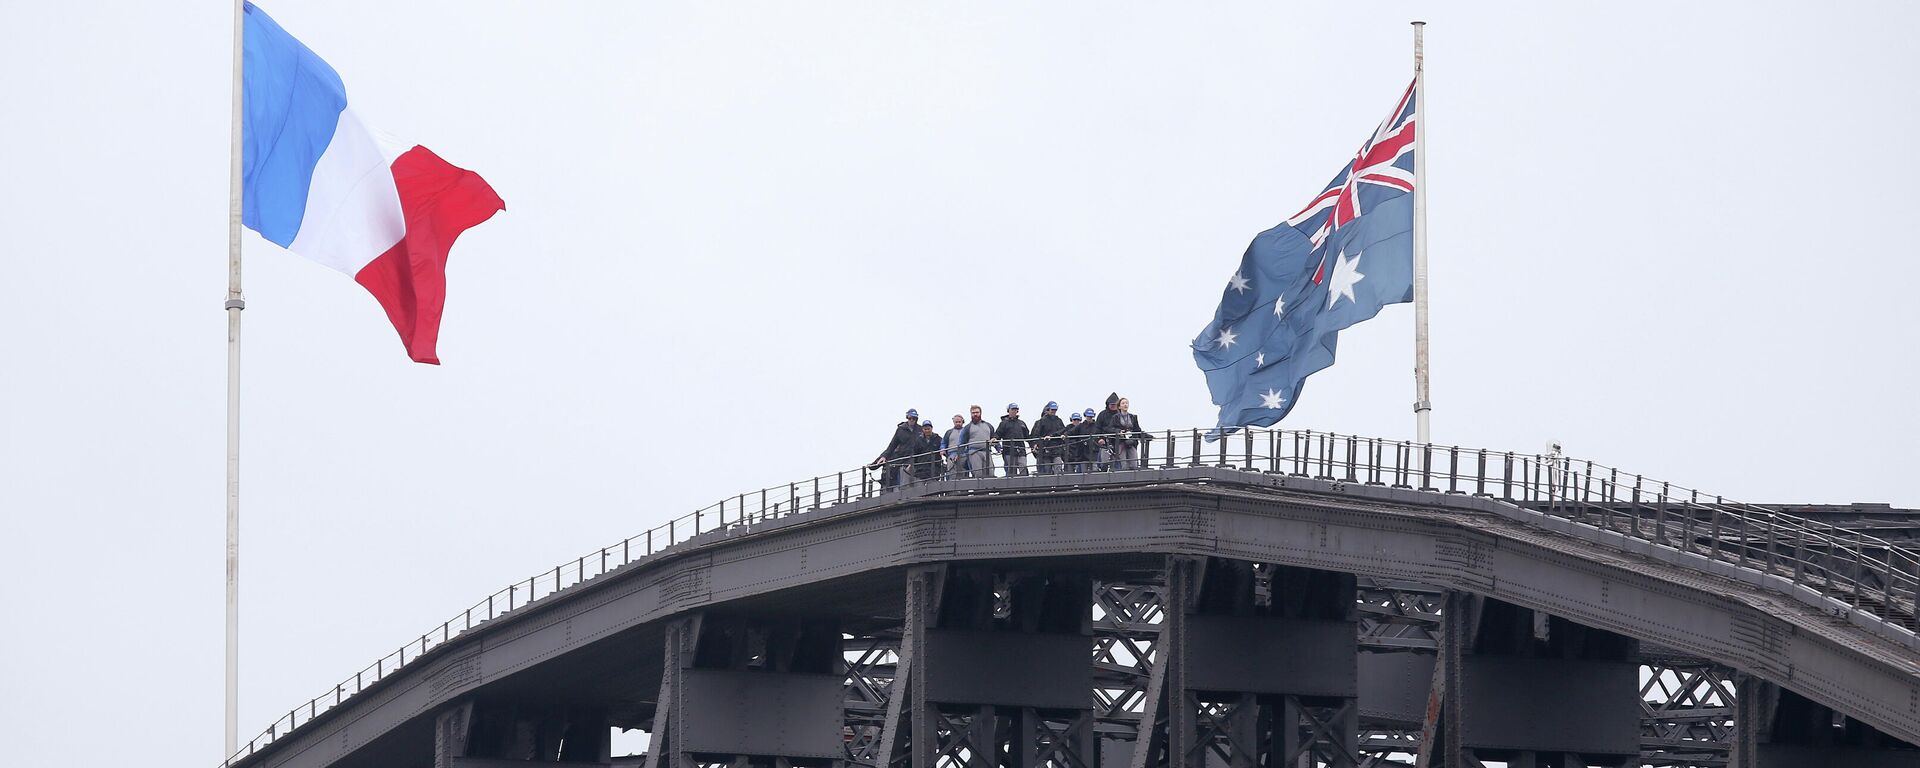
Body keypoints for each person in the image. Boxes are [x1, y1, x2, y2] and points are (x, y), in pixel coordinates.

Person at [871, 408, 919, 488]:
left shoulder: (920, 430)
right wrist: (884, 456)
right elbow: (892, 445)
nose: (912, 420)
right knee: (894, 469)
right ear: (907, 418)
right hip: (902, 456)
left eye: (914, 418)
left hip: (915, 457)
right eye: (910, 418)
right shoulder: (901, 429)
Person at [1111, 397, 1149, 470]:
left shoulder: (1133, 417)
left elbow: (1137, 429)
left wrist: (1146, 436)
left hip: (1131, 441)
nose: (1125, 405)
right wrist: (1119, 431)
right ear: (1119, 406)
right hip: (1121, 442)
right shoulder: (1115, 417)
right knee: (1124, 464)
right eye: (1123, 403)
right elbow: (1111, 428)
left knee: (1134, 463)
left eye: (1126, 403)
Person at [1029, 402, 1067, 475]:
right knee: (1047, 469)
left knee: (1058, 467)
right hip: (1045, 449)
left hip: (1057, 448)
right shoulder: (1042, 421)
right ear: (1048, 409)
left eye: (1055, 410)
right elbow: (1036, 434)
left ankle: (1058, 484)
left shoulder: (1059, 421)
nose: (1053, 411)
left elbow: (1063, 430)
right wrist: (1035, 444)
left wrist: (1062, 436)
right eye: (1052, 409)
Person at [994, 403, 1031, 476]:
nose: (1014, 411)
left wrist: (1034, 444)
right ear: (1008, 410)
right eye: (1012, 409)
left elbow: (1028, 437)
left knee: (1023, 467)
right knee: (1011, 472)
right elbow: (998, 433)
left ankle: (1024, 484)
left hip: (1021, 450)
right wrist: (994, 438)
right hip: (1008, 451)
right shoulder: (1004, 423)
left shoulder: (1021, 423)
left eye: (1016, 410)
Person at [959, 405, 996, 478]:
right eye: (973, 413)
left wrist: (998, 448)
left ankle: (990, 489)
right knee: (978, 473)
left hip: (987, 452)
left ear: (980, 413)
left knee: (991, 473)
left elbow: (993, 437)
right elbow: (962, 442)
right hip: (974, 452)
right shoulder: (967, 428)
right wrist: (960, 454)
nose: (975, 414)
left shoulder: (988, 426)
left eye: (977, 412)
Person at [1094, 394, 1121, 470]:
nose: (1113, 406)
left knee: (1119, 463)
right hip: (1105, 442)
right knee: (1104, 463)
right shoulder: (1102, 415)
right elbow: (1097, 428)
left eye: (1115, 404)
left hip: (1119, 442)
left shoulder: (1120, 415)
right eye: (1111, 404)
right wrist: (1099, 438)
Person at [941, 415, 967, 479]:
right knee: (951, 473)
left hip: (963, 455)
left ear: (962, 422)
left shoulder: (966, 431)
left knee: (963, 473)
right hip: (951, 455)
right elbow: (943, 442)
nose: (958, 423)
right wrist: (942, 449)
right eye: (956, 422)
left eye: (959, 422)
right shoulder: (949, 432)